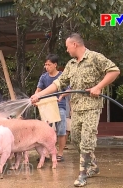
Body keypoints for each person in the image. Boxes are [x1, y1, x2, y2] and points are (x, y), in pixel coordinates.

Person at [30, 33, 120, 187]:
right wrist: (39, 95)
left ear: (75, 45)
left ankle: (82, 174)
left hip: (92, 107)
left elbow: (114, 71)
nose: (66, 50)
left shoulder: (94, 57)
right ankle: (93, 166)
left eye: (67, 47)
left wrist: (98, 87)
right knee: (76, 139)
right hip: (76, 108)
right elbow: (58, 84)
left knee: (86, 140)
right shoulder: (71, 64)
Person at [35, 54, 67, 162]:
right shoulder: (44, 77)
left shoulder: (62, 76)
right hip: (46, 106)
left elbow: (68, 90)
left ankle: (60, 153)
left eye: (49, 64)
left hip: (60, 106)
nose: (47, 67)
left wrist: (62, 96)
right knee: (45, 131)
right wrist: (36, 98)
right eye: (45, 65)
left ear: (55, 65)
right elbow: (38, 90)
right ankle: (46, 153)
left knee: (61, 131)